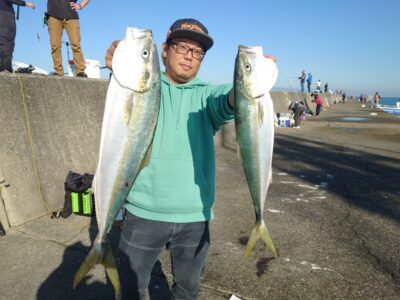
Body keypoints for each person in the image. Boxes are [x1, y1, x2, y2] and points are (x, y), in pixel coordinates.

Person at [105, 18, 276, 300]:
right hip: (142, 214)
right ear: (164, 49)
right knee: (131, 291)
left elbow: (231, 100)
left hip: (195, 217)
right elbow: (120, 108)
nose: (189, 56)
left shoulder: (207, 95)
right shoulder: (142, 87)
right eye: (183, 46)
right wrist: (121, 64)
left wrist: (253, 79)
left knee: (187, 291)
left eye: (198, 52)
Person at [46, 0, 90, 77]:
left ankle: (80, 70)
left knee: (76, 44)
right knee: (55, 45)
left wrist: (80, 5)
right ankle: (58, 71)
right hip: (53, 16)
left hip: (71, 16)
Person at [0, 0, 35, 72]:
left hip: (5, 13)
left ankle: (5, 68)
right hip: (5, 15)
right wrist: (25, 3)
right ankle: (5, 68)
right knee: (7, 40)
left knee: (6, 40)